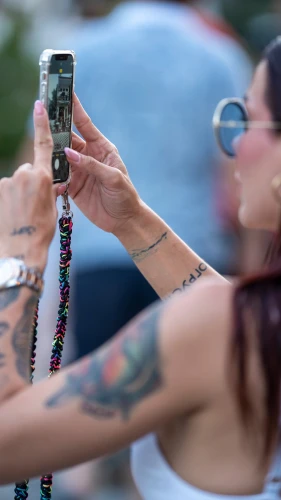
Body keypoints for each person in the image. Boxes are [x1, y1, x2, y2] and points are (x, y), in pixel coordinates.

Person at [1, 35, 281, 499]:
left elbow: (7, 442)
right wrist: (132, 222)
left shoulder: (218, 328)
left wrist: (19, 255)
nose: (229, 140)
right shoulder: (247, 327)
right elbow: (247, 323)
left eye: (244, 116)